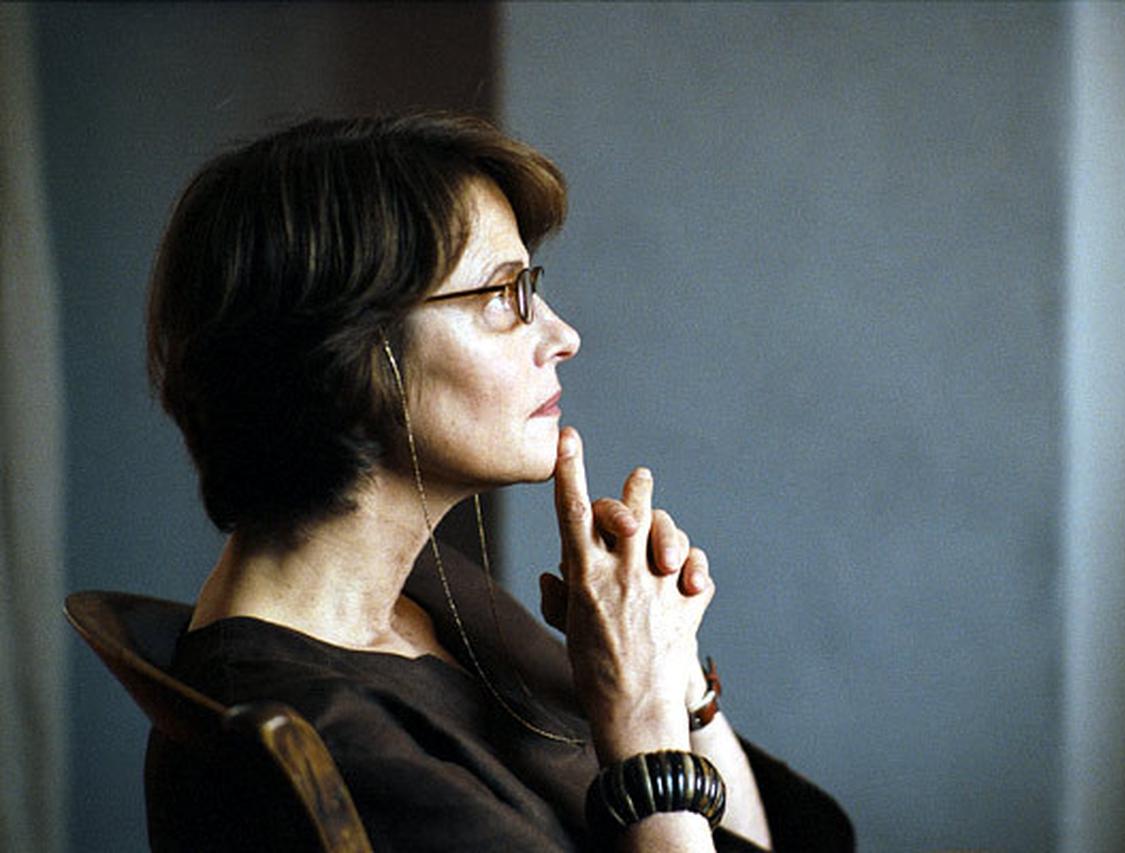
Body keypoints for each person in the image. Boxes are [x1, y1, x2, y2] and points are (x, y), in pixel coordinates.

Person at [144, 112, 853, 851]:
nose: (562, 336)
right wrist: (642, 723)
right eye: (503, 294)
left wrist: (668, 666)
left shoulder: (423, 586)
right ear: (349, 353)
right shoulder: (323, 739)